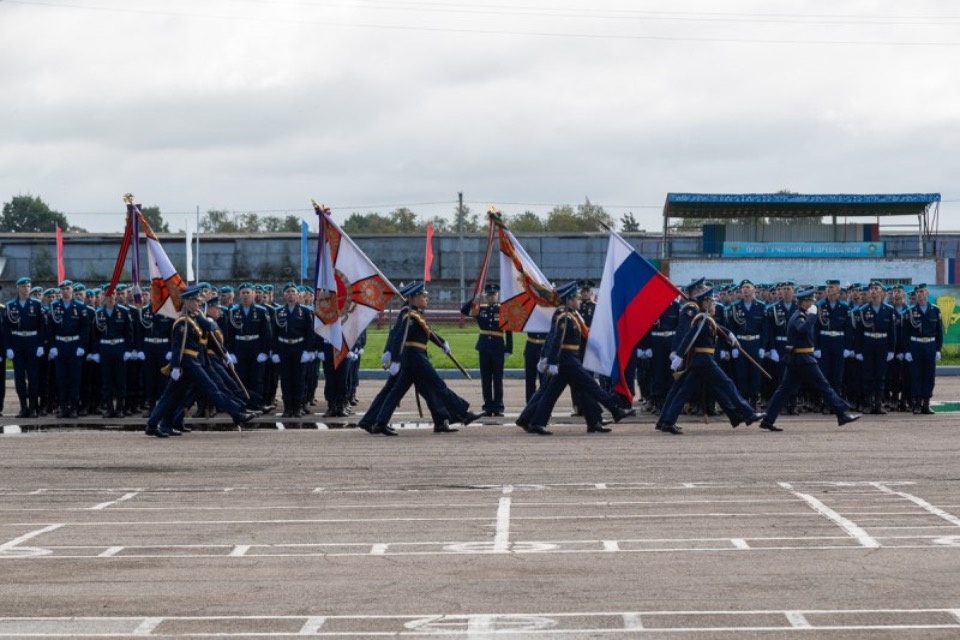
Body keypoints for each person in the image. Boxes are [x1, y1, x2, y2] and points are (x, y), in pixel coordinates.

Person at [523, 281, 636, 436]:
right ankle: (615, 410)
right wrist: (551, 361)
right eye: (575, 298)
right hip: (568, 360)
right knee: (591, 386)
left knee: (553, 393)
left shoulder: (571, 316)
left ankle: (540, 422)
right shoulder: (564, 317)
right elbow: (556, 339)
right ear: (569, 300)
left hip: (569, 359)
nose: (578, 301)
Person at [146, 285, 256, 437]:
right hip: (188, 362)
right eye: (195, 301)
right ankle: (236, 413)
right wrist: (176, 366)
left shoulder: (195, 319)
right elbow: (178, 347)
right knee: (211, 388)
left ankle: (156, 424)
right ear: (188, 302)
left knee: (171, 395)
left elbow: (211, 326)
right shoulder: (183, 322)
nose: (199, 304)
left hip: (194, 360)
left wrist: (199, 316)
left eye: (199, 301)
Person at [371, 282, 478, 435]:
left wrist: (441, 343)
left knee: (397, 391)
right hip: (416, 358)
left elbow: (428, 332)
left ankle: (380, 422)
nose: (426, 299)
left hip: (413, 358)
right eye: (423, 296)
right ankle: (463, 413)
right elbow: (398, 337)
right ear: (414, 298)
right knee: (439, 386)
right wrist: (394, 359)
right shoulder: (410, 316)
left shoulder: (416, 314)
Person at [656, 288, 764, 435]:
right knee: (727, 384)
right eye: (712, 302)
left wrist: (728, 334)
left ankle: (668, 421)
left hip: (700, 361)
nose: (714, 305)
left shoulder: (704, 319)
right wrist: (679, 355)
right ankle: (748, 413)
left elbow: (716, 326)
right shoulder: (701, 319)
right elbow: (689, 337)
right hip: (704, 360)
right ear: (705, 303)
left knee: (683, 391)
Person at [758, 288, 862, 431]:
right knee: (824, 386)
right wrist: (813, 316)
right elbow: (802, 329)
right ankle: (842, 413)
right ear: (804, 303)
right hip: (803, 359)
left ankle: (768, 419)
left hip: (799, 359)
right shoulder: (799, 316)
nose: (813, 303)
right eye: (811, 301)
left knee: (784, 390)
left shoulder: (801, 315)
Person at [461, 283, 512, 417]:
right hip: (484, 347)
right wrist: (475, 299)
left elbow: (509, 330)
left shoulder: (503, 310)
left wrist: (509, 349)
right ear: (486, 296)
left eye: (494, 295)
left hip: (498, 347)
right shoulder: (480, 308)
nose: (491, 297)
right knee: (486, 378)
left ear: (497, 296)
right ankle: (488, 406)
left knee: (498, 378)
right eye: (489, 295)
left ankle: (498, 407)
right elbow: (464, 310)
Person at [223, 282, 273, 412]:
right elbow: (229, 335)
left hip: (255, 347)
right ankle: (243, 405)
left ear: (253, 294)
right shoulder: (233, 311)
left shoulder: (262, 311)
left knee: (256, 378)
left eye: (248, 293)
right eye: (243, 293)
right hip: (239, 347)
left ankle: (255, 404)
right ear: (239, 295)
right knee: (241, 377)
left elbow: (266, 333)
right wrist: (231, 352)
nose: (245, 295)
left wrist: (264, 351)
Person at [271, 283, 316, 417]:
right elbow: (274, 333)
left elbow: (310, 333)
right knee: (285, 379)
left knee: (299, 380)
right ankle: (287, 408)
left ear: (297, 294)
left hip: (299, 348)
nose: (290, 294)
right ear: (284, 295)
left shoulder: (305, 311)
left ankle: (297, 408)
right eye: (287, 291)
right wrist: (274, 352)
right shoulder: (278, 312)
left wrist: (308, 351)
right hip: (284, 348)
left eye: (293, 291)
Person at [47, 280, 91, 418]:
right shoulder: (54, 306)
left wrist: (81, 346)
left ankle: (73, 407)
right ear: (60, 291)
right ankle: (63, 406)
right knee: (61, 378)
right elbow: (50, 328)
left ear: (72, 290)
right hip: (60, 345)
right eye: (63, 289)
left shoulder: (79, 306)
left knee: (74, 378)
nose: (65, 291)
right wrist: (52, 346)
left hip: (74, 345)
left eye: (67, 288)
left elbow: (85, 328)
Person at [4, 276, 47, 417]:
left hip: (32, 342)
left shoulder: (36, 304)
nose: (26, 289)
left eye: (28, 286)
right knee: (19, 377)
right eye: (23, 286)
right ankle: (23, 407)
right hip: (17, 342)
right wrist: (8, 347)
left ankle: (33, 407)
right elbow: (6, 329)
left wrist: (41, 345)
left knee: (33, 376)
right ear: (18, 288)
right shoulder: (10, 305)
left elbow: (42, 327)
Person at [853, 282, 898, 414]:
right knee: (867, 375)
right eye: (871, 289)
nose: (873, 291)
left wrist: (891, 350)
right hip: (868, 344)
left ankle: (878, 403)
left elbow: (892, 333)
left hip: (882, 344)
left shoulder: (889, 310)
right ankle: (868, 403)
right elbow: (858, 333)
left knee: (880, 376)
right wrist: (858, 351)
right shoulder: (863, 310)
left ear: (882, 293)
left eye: (876, 289)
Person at [903, 283, 943, 414]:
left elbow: (939, 332)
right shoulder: (910, 311)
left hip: (930, 345)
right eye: (918, 292)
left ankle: (926, 403)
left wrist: (938, 349)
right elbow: (905, 333)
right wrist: (907, 351)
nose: (920, 294)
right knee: (916, 375)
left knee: (929, 375)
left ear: (927, 292)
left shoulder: (935, 310)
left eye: (922, 291)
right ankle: (917, 404)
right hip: (916, 346)